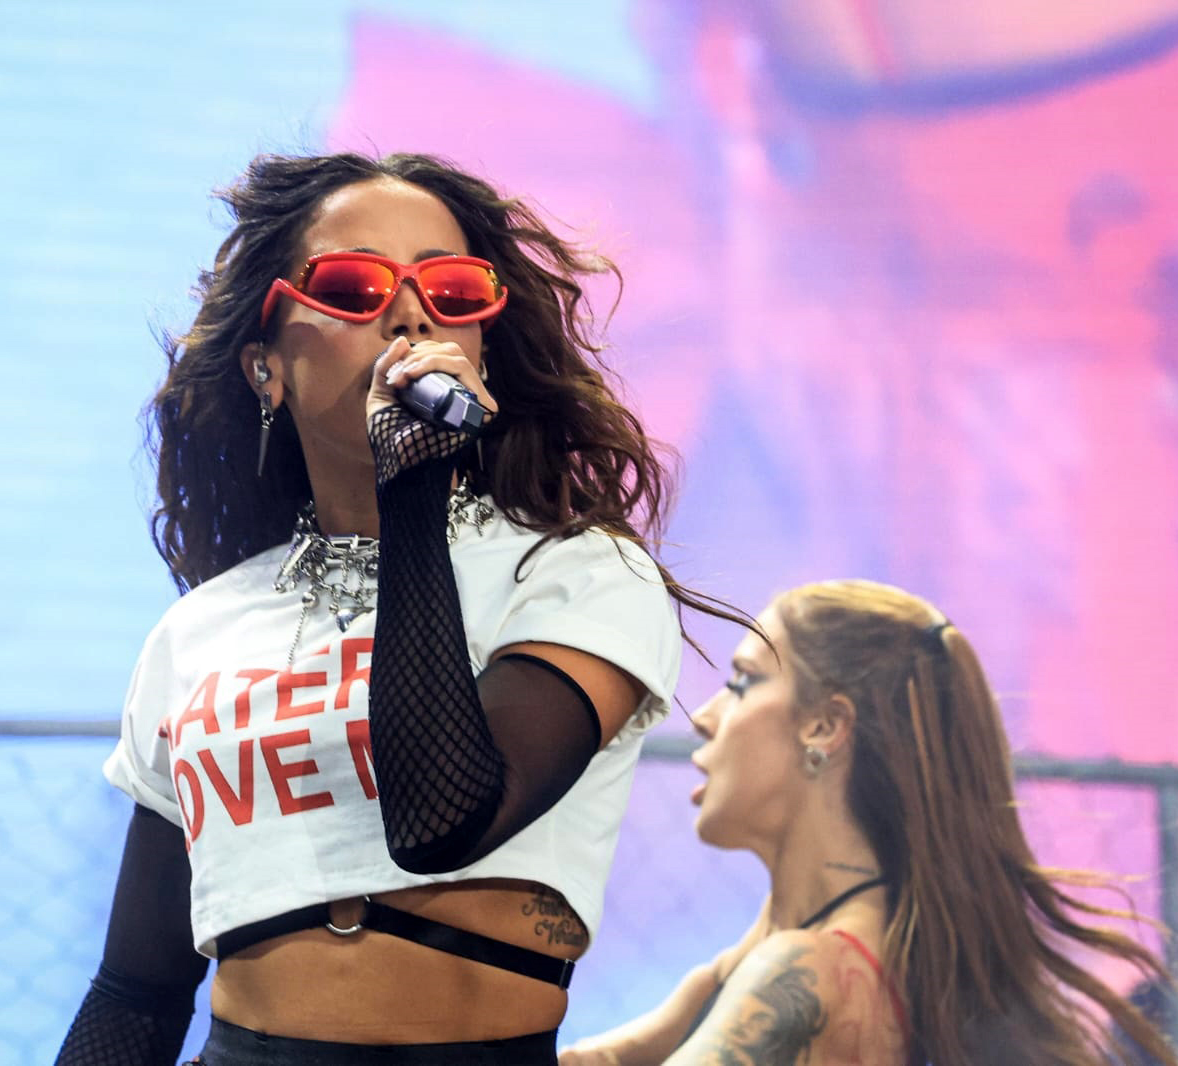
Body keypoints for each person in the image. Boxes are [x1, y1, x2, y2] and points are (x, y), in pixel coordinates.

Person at [54, 151, 742, 1066]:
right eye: (352, 286)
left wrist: (410, 486)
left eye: (452, 291)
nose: (411, 315)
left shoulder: (573, 573)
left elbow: (441, 822)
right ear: (266, 368)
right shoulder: (201, 631)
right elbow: (137, 993)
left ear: (482, 346)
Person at [558, 579, 1178, 1066]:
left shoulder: (806, 972)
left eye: (743, 682)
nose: (705, 716)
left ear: (825, 726)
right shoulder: (799, 938)